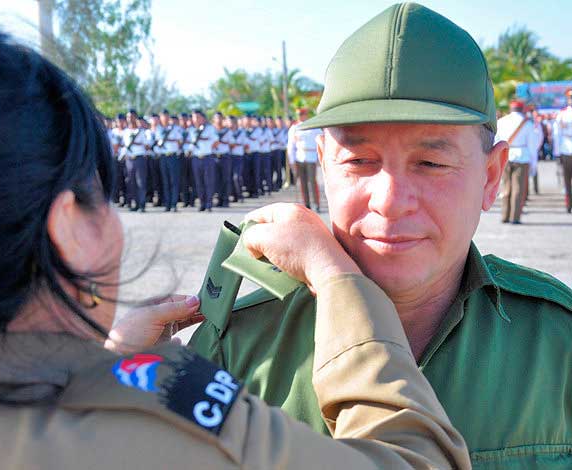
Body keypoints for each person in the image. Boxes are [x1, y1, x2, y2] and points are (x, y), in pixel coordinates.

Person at [0, 11, 472, 469]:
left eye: (431, 164)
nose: (392, 198)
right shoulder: (155, 417)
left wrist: (101, 358)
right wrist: (338, 279)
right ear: (67, 230)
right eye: (100, 196)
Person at [191, 3, 572, 467]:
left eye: (430, 163)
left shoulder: (557, 344)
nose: (389, 200)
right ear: (325, 162)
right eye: (359, 161)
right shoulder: (234, 347)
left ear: (491, 177)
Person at [496, 100, 540, 224]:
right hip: (522, 156)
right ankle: (515, 217)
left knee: (506, 187)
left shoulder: (502, 121)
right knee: (518, 188)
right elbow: (532, 146)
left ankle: (504, 215)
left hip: (505, 155)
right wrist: (534, 164)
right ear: (522, 109)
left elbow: (496, 140)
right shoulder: (527, 124)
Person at [287, 108, 322, 211]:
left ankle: (316, 203)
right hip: (299, 157)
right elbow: (291, 145)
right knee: (302, 182)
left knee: (312, 181)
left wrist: (319, 158)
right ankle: (306, 204)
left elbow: (320, 141)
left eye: (302, 114)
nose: (300, 116)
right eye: (299, 115)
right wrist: (292, 161)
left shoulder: (314, 127)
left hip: (311, 157)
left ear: (306, 115)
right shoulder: (294, 128)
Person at [190, 110, 218, 212]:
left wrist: (208, 150)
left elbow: (216, 142)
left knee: (208, 181)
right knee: (199, 182)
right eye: (194, 117)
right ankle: (202, 203)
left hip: (207, 158)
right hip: (196, 158)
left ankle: (209, 204)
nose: (195, 119)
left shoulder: (210, 128)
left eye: (197, 117)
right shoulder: (191, 130)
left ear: (203, 118)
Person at [157, 110, 185, 212]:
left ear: (168, 117)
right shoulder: (158, 129)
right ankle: (167, 204)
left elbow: (179, 142)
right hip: (163, 156)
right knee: (165, 181)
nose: (164, 118)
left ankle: (174, 204)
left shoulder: (175, 128)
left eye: (166, 116)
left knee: (174, 181)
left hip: (173, 156)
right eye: (162, 116)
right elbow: (158, 141)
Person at [122, 109, 149, 212]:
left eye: (131, 117)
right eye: (128, 117)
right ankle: (136, 204)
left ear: (135, 118)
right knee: (131, 182)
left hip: (139, 158)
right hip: (129, 159)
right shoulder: (126, 131)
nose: (129, 119)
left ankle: (142, 205)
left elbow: (147, 146)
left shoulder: (141, 131)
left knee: (140, 182)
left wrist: (138, 144)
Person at [553, 89, 572, 213]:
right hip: (566, 147)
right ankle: (568, 204)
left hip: (566, 147)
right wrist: (557, 151)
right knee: (567, 179)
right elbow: (557, 134)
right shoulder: (562, 114)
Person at [212, 112, 234, 208]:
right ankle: (219, 199)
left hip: (225, 157)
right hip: (214, 156)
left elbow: (232, 144)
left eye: (220, 118)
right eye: (217, 118)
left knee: (225, 179)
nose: (219, 120)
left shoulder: (227, 131)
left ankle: (225, 200)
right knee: (216, 180)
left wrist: (223, 143)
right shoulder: (211, 131)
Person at [227, 115, 247, 203]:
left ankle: (240, 195)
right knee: (230, 177)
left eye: (231, 122)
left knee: (237, 177)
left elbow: (246, 144)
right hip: (229, 156)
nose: (230, 124)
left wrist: (235, 145)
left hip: (238, 156)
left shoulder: (241, 132)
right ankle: (234, 196)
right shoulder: (227, 132)